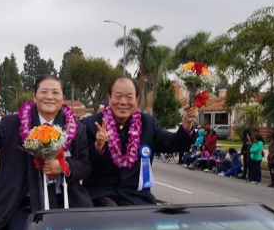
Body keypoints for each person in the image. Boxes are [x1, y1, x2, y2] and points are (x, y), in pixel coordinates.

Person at [0, 75, 94, 230]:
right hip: (22, 204)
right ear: (35, 96)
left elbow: (85, 165)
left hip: (65, 202)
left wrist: (64, 166)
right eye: (43, 92)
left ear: (63, 98)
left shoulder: (77, 128)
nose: (49, 96)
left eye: (55, 92)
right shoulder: (12, 124)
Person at [81, 76, 198, 206]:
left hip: (135, 197)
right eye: (118, 96)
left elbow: (174, 143)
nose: (123, 102)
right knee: (110, 212)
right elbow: (84, 166)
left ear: (136, 99)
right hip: (100, 196)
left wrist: (187, 124)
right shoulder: (90, 125)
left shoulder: (148, 124)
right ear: (109, 97)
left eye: (129, 97)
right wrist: (99, 146)